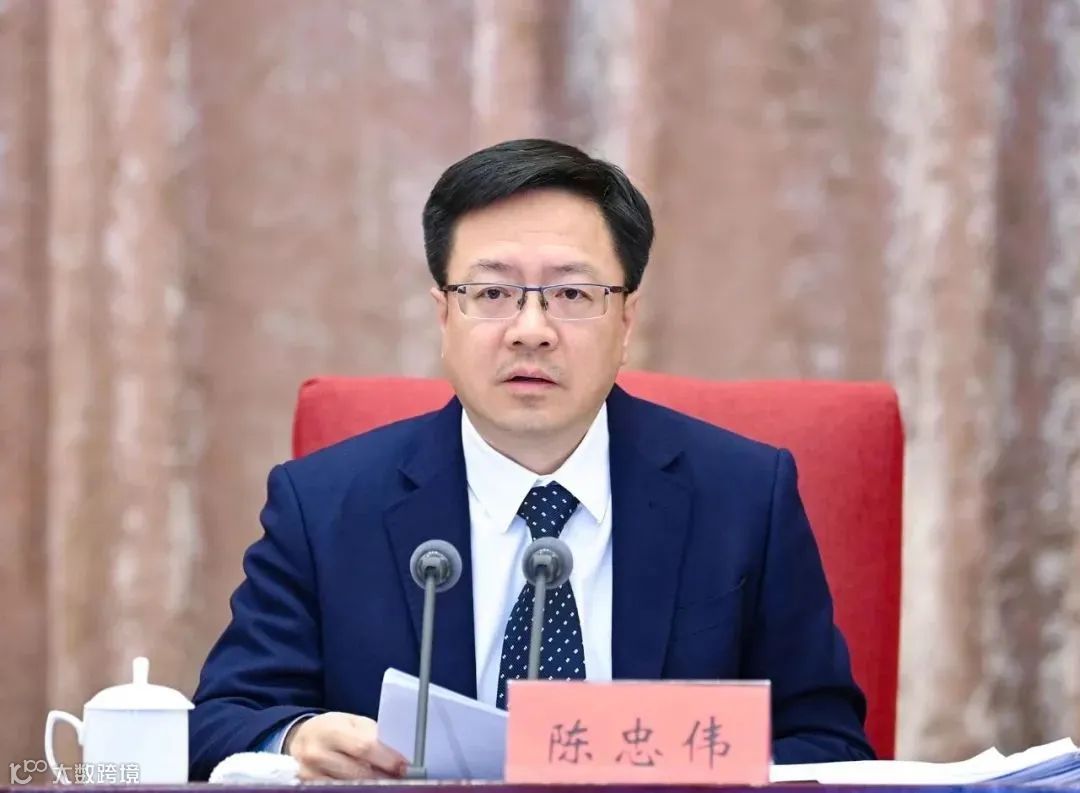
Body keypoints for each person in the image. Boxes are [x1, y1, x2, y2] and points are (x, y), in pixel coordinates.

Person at [188, 138, 874, 781]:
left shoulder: (745, 497)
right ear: (443, 316)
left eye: (572, 294)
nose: (531, 330)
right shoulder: (324, 505)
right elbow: (221, 721)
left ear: (626, 321)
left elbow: (827, 741)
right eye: (492, 293)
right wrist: (295, 738)